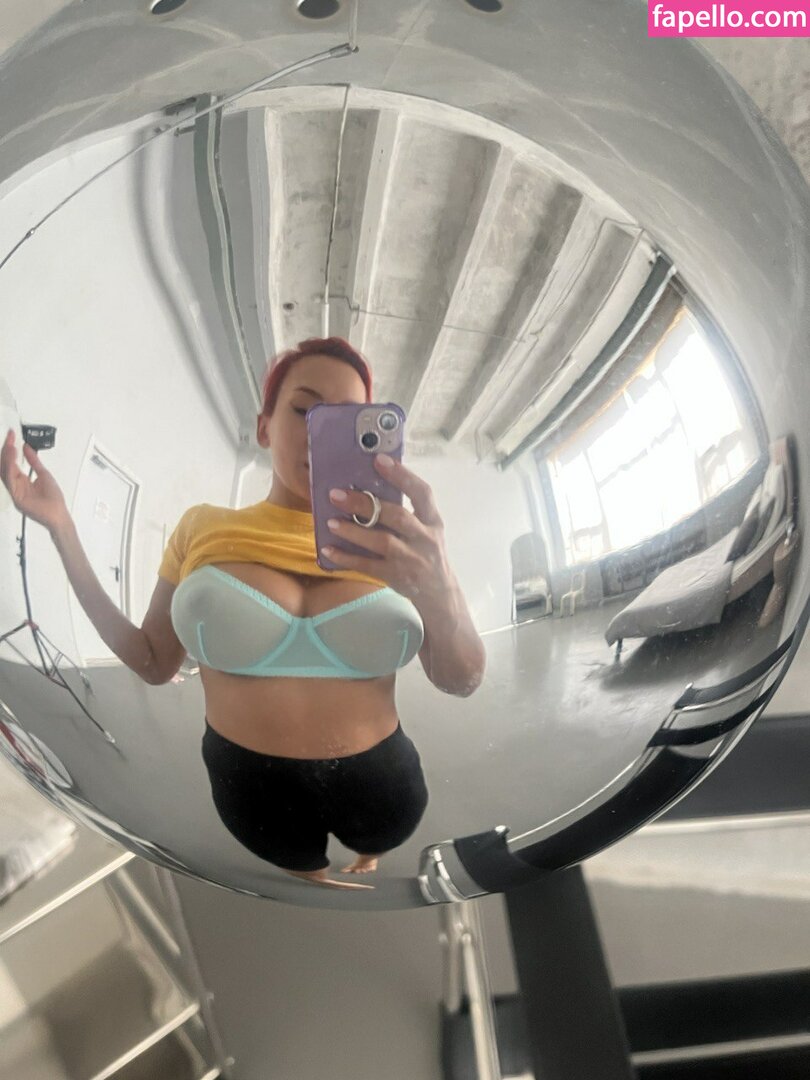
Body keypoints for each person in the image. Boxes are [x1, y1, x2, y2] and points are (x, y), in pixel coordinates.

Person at [1, 337, 486, 889]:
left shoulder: (395, 546)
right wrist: (62, 527)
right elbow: (153, 662)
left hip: (384, 777)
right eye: (305, 410)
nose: (319, 434)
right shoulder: (203, 527)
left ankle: (368, 855)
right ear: (263, 428)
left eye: (347, 422)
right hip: (251, 787)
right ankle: (319, 871)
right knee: (304, 874)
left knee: (374, 847)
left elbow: (461, 679)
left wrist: (441, 581)